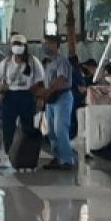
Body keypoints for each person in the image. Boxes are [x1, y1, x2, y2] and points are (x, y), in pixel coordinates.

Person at [0, 34, 44, 157]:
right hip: (10, 96)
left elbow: (40, 82)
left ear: (25, 46)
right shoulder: (6, 62)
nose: (17, 47)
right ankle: (9, 153)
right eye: (14, 44)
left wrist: (40, 99)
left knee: (27, 125)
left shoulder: (33, 61)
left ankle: (27, 153)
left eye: (19, 44)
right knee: (8, 126)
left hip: (26, 95)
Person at [38, 36, 75, 170]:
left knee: (60, 129)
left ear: (56, 45)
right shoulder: (48, 63)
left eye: (48, 44)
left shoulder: (62, 61)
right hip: (51, 99)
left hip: (62, 97)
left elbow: (61, 80)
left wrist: (48, 92)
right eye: (44, 43)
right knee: (51, 131)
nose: (45, 46)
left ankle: (66, 160)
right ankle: (57, 157)